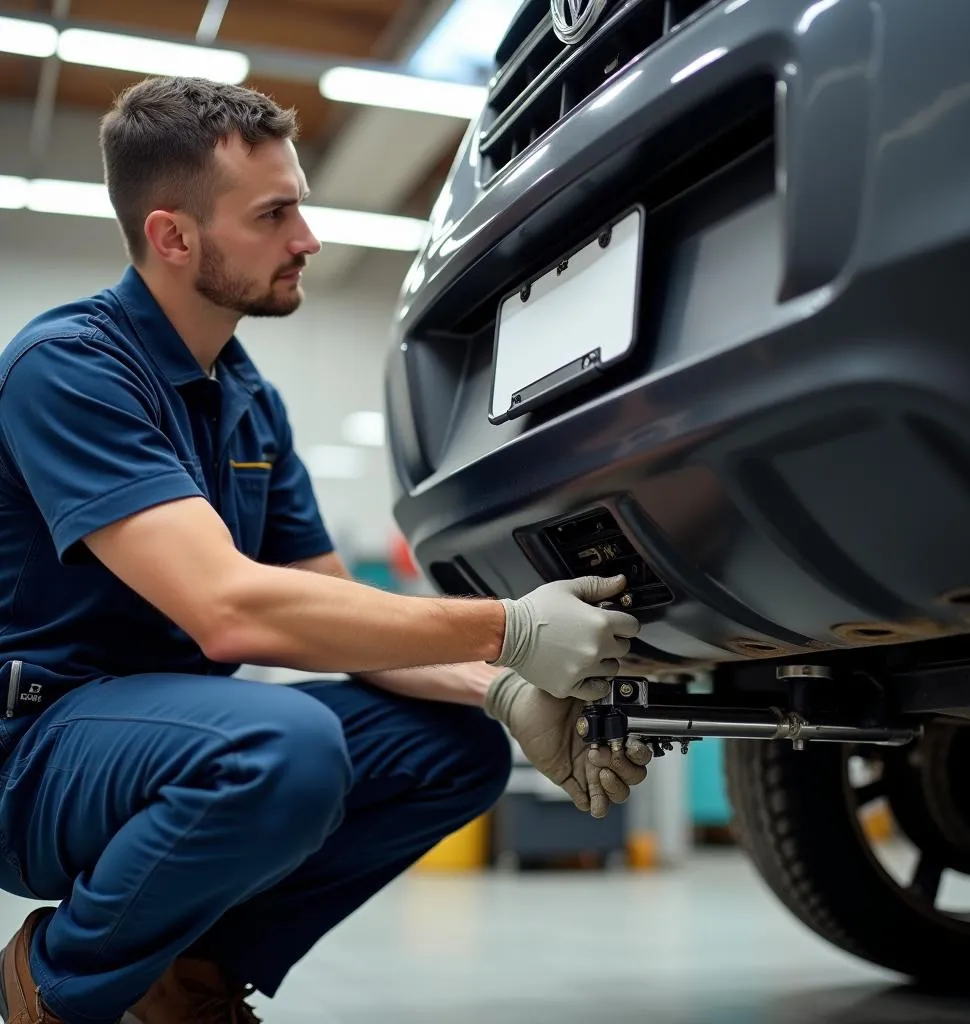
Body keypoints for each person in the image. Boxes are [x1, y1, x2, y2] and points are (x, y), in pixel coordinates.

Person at [0, 77, 653, 1024]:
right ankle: (52, 988)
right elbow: (231, 612)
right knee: (283, 748)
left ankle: (190, 984)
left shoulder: (245, 398)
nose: (307, 239)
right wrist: (509, 631)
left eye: (299, 205)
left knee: (451, 749)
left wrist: (503, 696)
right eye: (273, 215)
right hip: (35, 753)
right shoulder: (71, 369)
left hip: (165, 737)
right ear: (173, 236)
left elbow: (334, 613)